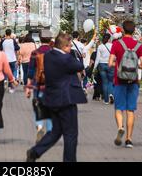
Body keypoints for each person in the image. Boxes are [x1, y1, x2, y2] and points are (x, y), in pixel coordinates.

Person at [26, 33, 86, 163]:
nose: (71, 48)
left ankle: (35, 152)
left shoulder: (48, 56)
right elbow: (80, 65)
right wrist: (71, 54)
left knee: (55, 132)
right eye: (69, 46)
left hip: (52, 99)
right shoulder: (65, 58)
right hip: (66, 100)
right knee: (70, 134)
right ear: (64, 46)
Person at [108, 20, 142, 149]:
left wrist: (119, 66)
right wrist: (135, 66)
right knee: (131, 110)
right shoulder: (139, 45)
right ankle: (129, 139)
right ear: (134, 30)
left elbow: (110, 63)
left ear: (123, 30)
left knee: (119, 109)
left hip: (119, 81)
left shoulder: (117, 44)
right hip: (133, 81)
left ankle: (120, 127)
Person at [26, 30, 54, 142]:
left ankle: (40, 127)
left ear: (40, 39)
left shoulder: (35, 53)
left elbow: (30, 71)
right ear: (50, 39)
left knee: (38, 106)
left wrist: (28, 87)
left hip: (38, 84)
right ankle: (50, 133)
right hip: (52, 85)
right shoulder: (54, 52)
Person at [95, 33, 114, 105]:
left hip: (101, 65)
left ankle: (106, 100)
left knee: (104, 82)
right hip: (110, 64)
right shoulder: (112, 46)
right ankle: (111, 94)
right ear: (109, 39)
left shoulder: (100, 47)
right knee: (110, 82)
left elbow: (97, 58)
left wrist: (94, 68)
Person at [0, 29, 20, 93]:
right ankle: (10, 87)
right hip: (13, 59)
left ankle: (5, 80)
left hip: (5, 59)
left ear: (5, 34)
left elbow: (0, 50)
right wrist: (17, 58)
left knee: (5, 72)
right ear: (10, 34)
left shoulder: (2, 41)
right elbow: (17, 49)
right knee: (12, 72)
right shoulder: (13, 41)